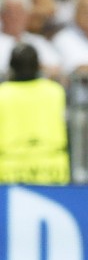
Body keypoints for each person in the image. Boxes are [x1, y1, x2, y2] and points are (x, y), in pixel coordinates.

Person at [0, 42, 69, 184]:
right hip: (52, 167)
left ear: (11, 66)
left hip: (10, 167)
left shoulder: (3, 93)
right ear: (38, 65)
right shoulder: (55, 91)